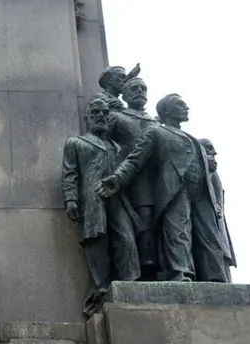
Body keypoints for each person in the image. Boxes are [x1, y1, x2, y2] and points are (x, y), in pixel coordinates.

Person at [96, 94, 228, 282]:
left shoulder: (195, 139)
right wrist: (117, 179)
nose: (186, 107)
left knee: (209, 234)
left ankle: (216, 277)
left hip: (202, 192)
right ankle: (181, 273)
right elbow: (135, 160)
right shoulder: (155, 132)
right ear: (166, 111)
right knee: (178, 230)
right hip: (174, 188)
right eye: (180, 104)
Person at [62, 97, 140, 315]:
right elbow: (70, 173)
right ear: (87, 117)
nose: (101, 116)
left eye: (105, 113)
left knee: (126, 238)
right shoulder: (76, 142)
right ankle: (101, 287)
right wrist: (71, 199)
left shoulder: (118, 147)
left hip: (118, 198)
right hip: (93, 198)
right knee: (96, 240)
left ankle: (129, 282)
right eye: (96, 112)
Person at [109, 77, 160, 279]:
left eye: (143, 88)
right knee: (144, 217)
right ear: (124, 94)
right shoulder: (117, 117)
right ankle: (146, 262)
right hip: (133, 177)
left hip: (159, 176)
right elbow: (102, 144)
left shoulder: (156, 121)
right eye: (134, 88)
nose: (140, 91)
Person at [200, 138, 237, 281]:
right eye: (209, 149)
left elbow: (218, 196)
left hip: (215, 223)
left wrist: (218, 206)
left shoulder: (212, 173)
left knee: (219, 252)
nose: (214, 153)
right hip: (209, 224)